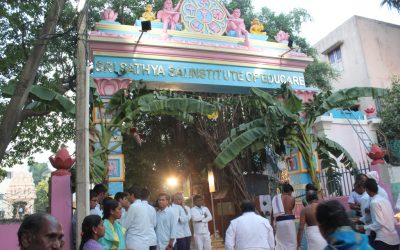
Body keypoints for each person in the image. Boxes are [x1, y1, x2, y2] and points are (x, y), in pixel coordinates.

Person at [361, 179, 400, 249]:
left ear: (367, 190)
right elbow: (393, 219)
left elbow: (379, 223)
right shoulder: (384, 200)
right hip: (395, 239)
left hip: (384, 240)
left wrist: (364, 227)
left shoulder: (374, 203)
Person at [271, 183, 296, 250]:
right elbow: (291, 209)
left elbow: (272, 212)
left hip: (279, 222)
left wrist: (272, 224)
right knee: (291, 243)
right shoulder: (292, 198)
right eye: (291, 192)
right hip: (289, 222)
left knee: (280, 243)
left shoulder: (275, 198)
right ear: (289, 191)